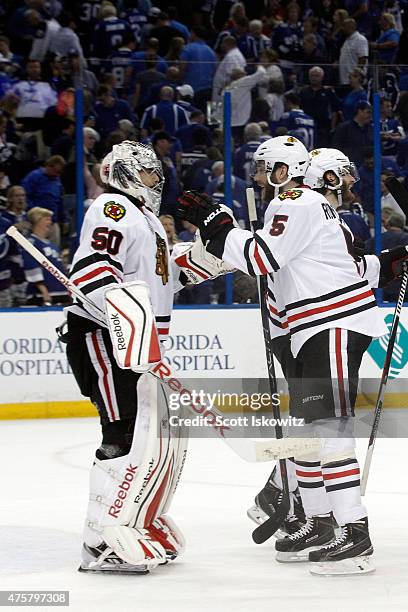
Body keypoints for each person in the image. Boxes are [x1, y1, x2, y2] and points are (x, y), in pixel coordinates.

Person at [176, 135, 406, 575]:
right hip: (311, 330)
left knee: (330, 429)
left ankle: (354, 534)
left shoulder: (293, 200)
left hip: (330, 325)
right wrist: (389, 262)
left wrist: (217, 223)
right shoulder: (314, 211)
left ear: (284, 171)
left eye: (265, 169)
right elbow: (342, 267)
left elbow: (262, 258)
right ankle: (320, 521)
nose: (260, 179)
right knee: (312, 429)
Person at [64, 141, 188, 573]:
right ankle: (99, 541)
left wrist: (211, 256)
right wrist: (120, 318)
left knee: (150, 439)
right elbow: (95, 268)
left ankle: (136, 521)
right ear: (127, 173)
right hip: (103, 336)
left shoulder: (147, 218)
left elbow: (164, 278)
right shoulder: (112, 207)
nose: (158, 181)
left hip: (136, 346)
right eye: (151, 173)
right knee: (122, 434)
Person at [22, 207, 69, 306]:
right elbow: (31, 266)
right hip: (42, 296)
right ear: (38, 220)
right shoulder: (31, 243)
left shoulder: (53, 245)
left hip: (61, 293)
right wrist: (43, 291)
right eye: (47, 219)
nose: (51, 222)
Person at [22, 155, 67, 246]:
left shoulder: (57, 180)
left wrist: (64, 220)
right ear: (49, 166)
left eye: (60, 172)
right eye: (56, 171)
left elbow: (60, 201)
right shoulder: (34, 176)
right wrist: (33, 214)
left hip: (52, 222)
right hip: (35, 221)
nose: (58, 174)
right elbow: (25, 196)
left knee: (53, 249)